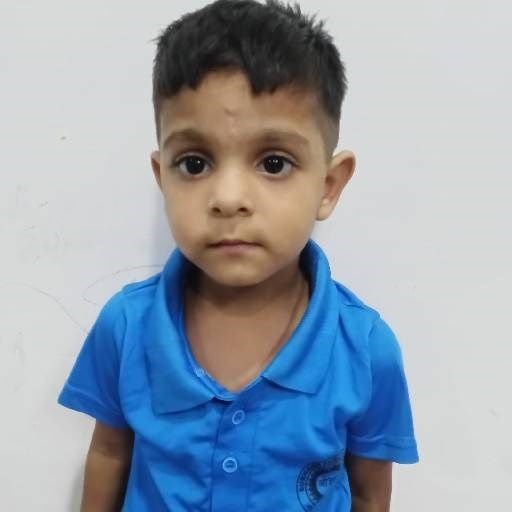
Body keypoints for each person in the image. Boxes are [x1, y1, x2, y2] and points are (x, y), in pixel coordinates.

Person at [58, 0, 419, 510]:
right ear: (162, 178)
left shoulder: (365, 349)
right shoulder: (127, 325)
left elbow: (368, 491)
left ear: (328, 186)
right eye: (194, 163)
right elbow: (110, 452)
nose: (228, 198)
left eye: (273, 163)